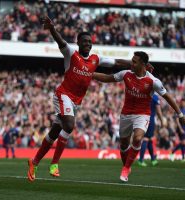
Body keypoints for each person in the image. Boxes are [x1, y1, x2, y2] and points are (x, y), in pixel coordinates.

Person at [27, 16, 129, 182]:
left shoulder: (96, 59)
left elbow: (116, 62)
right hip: (63, 95)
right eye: (84, 41)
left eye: (90, 42)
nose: (88, 44)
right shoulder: (71, 54)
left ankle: (34, 161)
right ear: (78, 43)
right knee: (69, 125)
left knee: (55, 131)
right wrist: (52, 28)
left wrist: (134, 65)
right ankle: (54, 163)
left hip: (76, 101)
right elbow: (60, 42)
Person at [93, 51, 185, 182]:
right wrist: (89, 74)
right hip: (126, 114)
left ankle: (126, 168)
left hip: (142, 115)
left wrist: (180, 115)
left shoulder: (153, 81)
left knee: (138, 138)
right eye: (131, 61)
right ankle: (126, 165)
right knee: (123, 145)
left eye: (134, 61)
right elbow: (107, 78)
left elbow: (168, 97)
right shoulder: (126, 74)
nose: (131, 63)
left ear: (143, 64)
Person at [138, 64, 164, 167]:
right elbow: (158, 111)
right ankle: (141, 160)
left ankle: (153, 158)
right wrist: (162, 120)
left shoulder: (142, 93)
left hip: (141, 117)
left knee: (148, 138)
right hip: (150, 119)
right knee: (146, 139)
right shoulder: (155, 97)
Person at [169, 99, 185, 163]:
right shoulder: (179, 110)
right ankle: (172, 152)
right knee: (183, 142)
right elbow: (177, 120)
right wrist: (180, 128)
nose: (183, 104)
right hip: (181, 128)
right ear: (181, 103)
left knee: (184, 143)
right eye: (182, 103)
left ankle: (183, 158)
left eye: (184, 102)